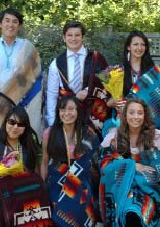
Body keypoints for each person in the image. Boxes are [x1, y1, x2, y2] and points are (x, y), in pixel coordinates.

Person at [0, 7, 44, 143]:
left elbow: (36, 80)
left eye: (15, 22)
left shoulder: (28, 48)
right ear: (0, 24)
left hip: (22, 109)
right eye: (7, 21)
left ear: (19, 25)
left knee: (22, 150)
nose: (10, 25)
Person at [0, 106, 51, 226]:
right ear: (5, 122)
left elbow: (35, 176)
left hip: (24, 197)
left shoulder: (29, 147)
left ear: (25, 128)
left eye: (20, 124)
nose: (15, 127)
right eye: (12, 122)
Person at [100, 98, 160, 227]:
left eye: (140, 113)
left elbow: (156, 172)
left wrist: (130, 173)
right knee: (128, 207)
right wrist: (133, 166)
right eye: (131, 112)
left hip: (148, 189)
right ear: (125, 115)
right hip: (121, 188)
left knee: (135, 209)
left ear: (145, 115)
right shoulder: (114, 137)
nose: (136, 117)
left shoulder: (155, 137)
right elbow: (105, 165)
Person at [41, 95, 101, 226]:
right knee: (60, 217)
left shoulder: (87, 133)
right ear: (58, 112)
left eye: (71, 109)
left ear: (78, 111)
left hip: (82, 183)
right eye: (62, 110)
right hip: (57, 183)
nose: (66, 113)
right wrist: (43, 185)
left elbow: (97, 160)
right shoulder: (49, 133)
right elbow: (45, 161)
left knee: (82, 208)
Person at [45, 20, 109, 138]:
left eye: (77, 35)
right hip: (67, 114)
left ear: (82, 37)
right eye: (70, 35)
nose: (73, 39)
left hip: (93, 111)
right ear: (64, 37)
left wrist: (88, 90)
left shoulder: (96, 58)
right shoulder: (57, 63)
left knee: (92, 147)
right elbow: (52, 94)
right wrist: (52, 122)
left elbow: (107, 82)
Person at [105, 30, 160, 134]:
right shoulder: (118, 71)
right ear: (128, 47)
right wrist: (117, 103)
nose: (139, 48)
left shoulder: (154, 72)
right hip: (124, 121)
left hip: (149, 123)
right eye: (135, 44)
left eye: (142, 45)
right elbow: (109, 102)